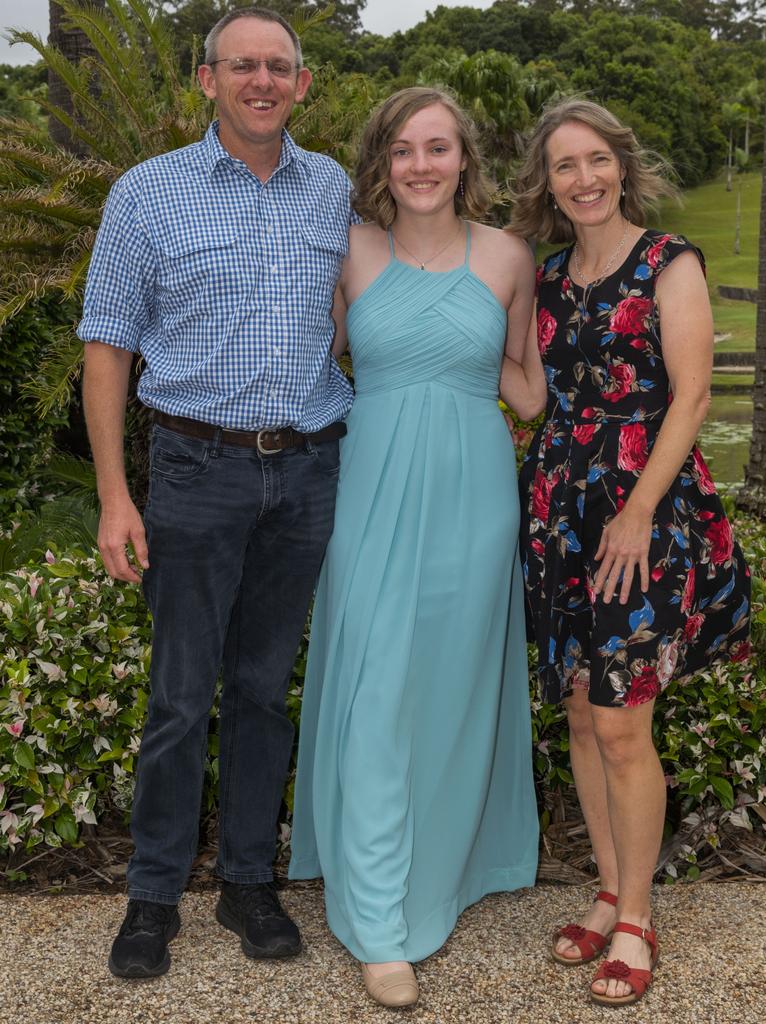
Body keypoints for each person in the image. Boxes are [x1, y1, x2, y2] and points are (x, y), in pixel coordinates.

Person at [78, 7, 356, 979]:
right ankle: (153, 894)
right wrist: (118, 495)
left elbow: (370, 312)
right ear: (207, 80)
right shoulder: (146, 195)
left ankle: (246, 882)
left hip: (312, 469)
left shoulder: (336, 192)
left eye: (280, 66)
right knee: (180, 695)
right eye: (244, 65)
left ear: (303, 84)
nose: (263, 80)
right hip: (196, 472)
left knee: (263, 689)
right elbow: (106, 346)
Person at [288, 87, 543, 1008]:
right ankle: (380, 918)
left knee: (448, 690)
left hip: (476, 498)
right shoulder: (348, 250)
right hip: (370, 487)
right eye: (403, 150)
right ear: (382, 163)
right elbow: (304, 360)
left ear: (464, 159)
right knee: (377, 683)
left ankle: (442, 874)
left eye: (438, 147)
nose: (422, 165)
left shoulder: (511, 256)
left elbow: (527, 392)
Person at [508, 99, 752, 1007]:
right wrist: (442, 337)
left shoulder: (669, 261)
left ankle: (640, 917)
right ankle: (608, 890)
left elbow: (690, 399)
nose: (584, 178)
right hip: (559, 506)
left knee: (621, 719)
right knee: (579, 711)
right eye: (565, 165)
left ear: (622, 164)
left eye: (597, 159)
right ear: (548, 181)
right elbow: (534, 401)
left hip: (640, 508)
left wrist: (641, 509)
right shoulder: (548, 275)